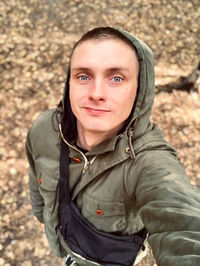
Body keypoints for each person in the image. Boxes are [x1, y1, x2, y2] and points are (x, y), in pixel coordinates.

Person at [26, 27, 200, 266]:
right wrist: (43, 217)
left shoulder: (148, 163)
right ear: (70, 83)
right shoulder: (44, 128)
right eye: (84, 76)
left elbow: (185, 225)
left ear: (140, 90)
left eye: (116, 78)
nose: (96, 93)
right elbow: (36, 180)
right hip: (63, 248)